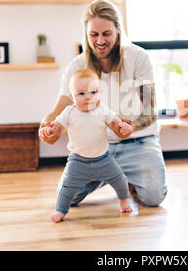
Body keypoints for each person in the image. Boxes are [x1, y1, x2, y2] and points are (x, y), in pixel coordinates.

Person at [40, 0, 167, 208]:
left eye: (106, 34)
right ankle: (114, 177)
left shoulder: (138, 57)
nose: (100, 40)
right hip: (95, 148)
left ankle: (124, 179)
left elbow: (150, 111)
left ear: (118, 30)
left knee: (154, 198)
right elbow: (59, 109)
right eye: (94, 34)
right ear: (86, 33)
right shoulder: (77, 66)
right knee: (67, 199)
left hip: (139, 142)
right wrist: (46, 127)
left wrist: (128, 127)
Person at [40, 69, 133, 223]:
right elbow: (56, 126)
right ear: (72, 97)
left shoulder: (103, 111)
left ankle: (123, 201)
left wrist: (125, 127)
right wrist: (49, 129)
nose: (88, 97)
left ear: (100, 92)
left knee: (120, 179)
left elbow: (117, 124)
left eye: (93, 92)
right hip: (78, 161)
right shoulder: (69, 112)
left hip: (103, 159)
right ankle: (60, 210)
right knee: (66, 188)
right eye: (81, 94)